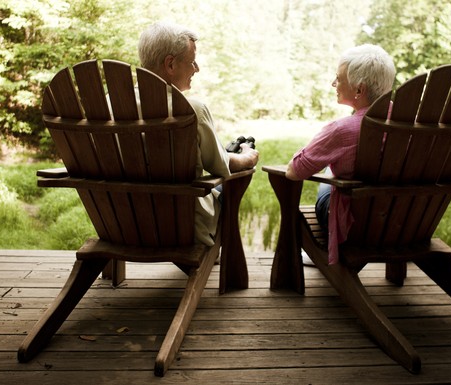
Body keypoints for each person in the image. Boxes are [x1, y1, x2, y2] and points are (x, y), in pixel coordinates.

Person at [138, 21, 259, 246]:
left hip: (125, 225)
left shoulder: (110, 106)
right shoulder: (190, 109)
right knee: (238, 177)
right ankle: (230, 267)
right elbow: (220, 165)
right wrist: (246, 157)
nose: (197, 68)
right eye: (192, 61)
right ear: (170, 64)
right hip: (182, 228)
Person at [285, 44, 395, 264]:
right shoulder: (409, 124)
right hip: (401, 222)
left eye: (338, 78)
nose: (333, 84)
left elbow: (294, 171)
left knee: (330, 172)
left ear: (359, 90)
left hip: (355, 226)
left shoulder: (342, 130)